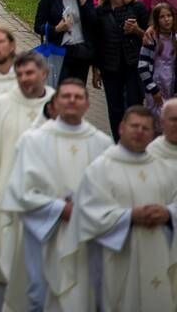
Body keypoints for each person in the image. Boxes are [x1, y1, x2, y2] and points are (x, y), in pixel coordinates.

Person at [0, 77, 112, 312]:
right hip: (43, 233)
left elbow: (112, 194)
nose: (72, 101)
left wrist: (86, 209)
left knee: (83, 295)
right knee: (41, 294)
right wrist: (59, 208)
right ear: (55, 104)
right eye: (66, 96)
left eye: (78, 97)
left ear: (88, 104)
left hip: (85, 233)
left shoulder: (102, 144)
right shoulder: (33, 140)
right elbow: (19, 191)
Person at [65, 106, 177, 309]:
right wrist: (129, 216)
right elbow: (87, 213)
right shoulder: (101, 168)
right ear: (121, 128)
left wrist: (168, 214)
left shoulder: (162, 169)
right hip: (116, 257)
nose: (139, 131)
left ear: (153, 133)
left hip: (158, 254)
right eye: (134, 126)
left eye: (145, 128)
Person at [0, 50, 53, 308]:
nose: (25, 79)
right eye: (20, 74)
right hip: (6, 200)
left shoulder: (59, 104)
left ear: (44, 74)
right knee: (1, 266)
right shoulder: (1, 106)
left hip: (51, 206)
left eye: (30, 73)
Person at [91, 0, 149, 139]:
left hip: (133, 64)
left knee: (133, 104)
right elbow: (97, 42)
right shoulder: (100, 11)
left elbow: (149, 37)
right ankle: (118, 143)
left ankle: (135, 141)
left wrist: (136, 30)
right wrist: (95, 70)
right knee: (114, 107)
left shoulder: (137, 7)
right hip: (109, 65)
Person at [34, 0, 96, 83]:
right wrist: (57, 29)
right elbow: (38, 26)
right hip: (59, 51)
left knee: (77, 93)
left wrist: (84, 3)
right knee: (59, 92)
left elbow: (93, 23)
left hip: (81, 52)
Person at [139, 2, 176, 131]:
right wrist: (153, 89)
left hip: (171, 85)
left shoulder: (175, 38)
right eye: (162, 17)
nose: (166, 19)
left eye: (169, 15)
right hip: (156, 87)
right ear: (156, 20)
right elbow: (142, 66)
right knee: (155, 122)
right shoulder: (151, 39)